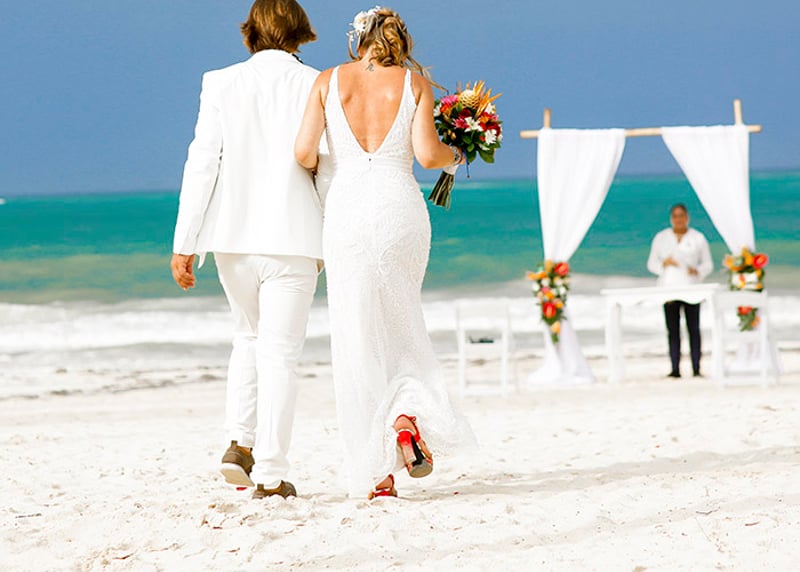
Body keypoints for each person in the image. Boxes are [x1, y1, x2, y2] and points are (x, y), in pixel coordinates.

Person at [294, 6, 472, 499]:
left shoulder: (327, 81)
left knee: (356, 335)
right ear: (399, 40)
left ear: (358, 39)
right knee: (401, 320)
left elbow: (303, 152)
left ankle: (378, 474)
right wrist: (457, 156)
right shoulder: (414, 84)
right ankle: (405, 417)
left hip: (348, 212)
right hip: (399, 210)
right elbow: (427, 156)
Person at [170, 0, 322, 500]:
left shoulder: (219, 81)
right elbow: (327, 164)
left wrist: (185, 242)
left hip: (231, 238)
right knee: (281, 354)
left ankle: (240, 443)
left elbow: (201, 164)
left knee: (247, 339)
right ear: (300, 32)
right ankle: (271, 473)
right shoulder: (317, 83)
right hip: (295, 236)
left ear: (249, 32)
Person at [647, 203, 713, 378]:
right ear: (671, 219)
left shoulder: (698, 238)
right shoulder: (661, 238)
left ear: (687, 217)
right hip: (668, 289)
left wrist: (697, 271)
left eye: (681, 216)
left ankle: (696, 368)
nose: (679, 220)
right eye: (675, 216)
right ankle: (675, 368)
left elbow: (708, 264)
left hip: (691, 288)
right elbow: (651, 264)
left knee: (694, 329)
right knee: (673, 330)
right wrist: (664, 264)